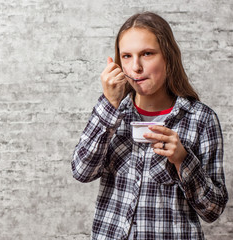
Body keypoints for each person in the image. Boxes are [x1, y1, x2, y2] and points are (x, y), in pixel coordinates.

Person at [71, 12, 228, 240]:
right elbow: (81, 171)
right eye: (126, 56)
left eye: (147, 54)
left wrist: (183, 160)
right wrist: (109, 105)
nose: (136, 67)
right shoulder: (112, 112)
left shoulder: (200, 119)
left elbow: (213, 210)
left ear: (168, 57)